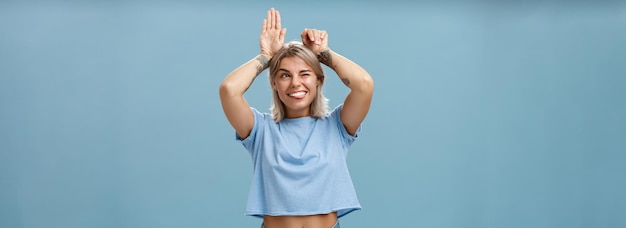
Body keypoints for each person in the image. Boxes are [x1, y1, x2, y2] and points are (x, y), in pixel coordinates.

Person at [219, 8, 374, 228]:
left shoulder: (337, 126)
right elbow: (229, 89)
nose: (295, 83)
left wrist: (323, 53)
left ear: (318, 80)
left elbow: (364, 85)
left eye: (305, 74)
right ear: (274, 83)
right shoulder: (260, 129)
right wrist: (266, 56)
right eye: (284, 75)